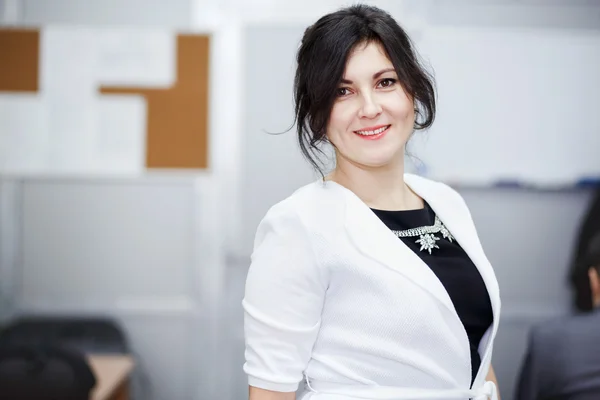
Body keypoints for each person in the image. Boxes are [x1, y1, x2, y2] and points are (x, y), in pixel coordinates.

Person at [243, 4, 501, 400]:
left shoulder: (447, 203)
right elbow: (269, 392)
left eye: (385, 82)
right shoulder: (299, 224)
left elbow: (472, 357)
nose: (369, 108)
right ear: (319, 115)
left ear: (412, 93)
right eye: (343, 91)